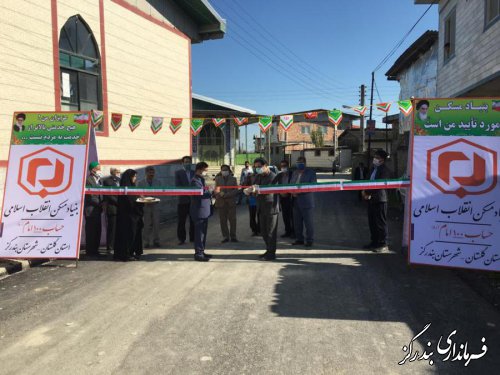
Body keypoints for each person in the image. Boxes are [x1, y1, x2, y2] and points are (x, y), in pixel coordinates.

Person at [246, 157, 279, 261]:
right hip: (261, 207)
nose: (257, 169)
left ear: (266, 166)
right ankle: (268, 249)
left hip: (271, 208)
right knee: (264, 232)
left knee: (270, 232)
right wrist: (249, 190)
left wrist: (257, 190)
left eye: (259, 167)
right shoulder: (258, 176)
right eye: (255, 167)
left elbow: (269, 190)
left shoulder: (273, 177)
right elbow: (254, 186)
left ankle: (271, 254)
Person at [362, 149, 392, 253]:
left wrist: (368, 192)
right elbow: (367, 180)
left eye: (377, 157)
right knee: (372, 222)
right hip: (371, 199)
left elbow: (379, 185)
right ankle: (374, 242)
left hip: (380, 199)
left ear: (382, 160)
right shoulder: (372, 169)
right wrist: (364, 191)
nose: (374, 159)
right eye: (374, 157)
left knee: (380, 222)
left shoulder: (385, 170)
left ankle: (383, 244)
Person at [114, 169, 144, 261]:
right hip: (127, 217)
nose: (135, 178)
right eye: (134, 176)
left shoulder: (132, 187)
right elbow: (130, 202)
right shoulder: (125, 188)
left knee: (134, 234)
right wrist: (139, 201)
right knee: (127, 235)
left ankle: (132, 252)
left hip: (134, 216)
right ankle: (125, 254)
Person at [290, 156, 317, 247]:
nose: (299, 164)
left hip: (306, 201)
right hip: (295, 201)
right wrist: (292, 191)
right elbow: (290, 184)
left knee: (308, 223)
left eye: (301, 162)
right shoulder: (294, 173)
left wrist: (299, 192)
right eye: (298, 162)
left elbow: (313, 186)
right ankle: (299, 239)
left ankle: (309, 240)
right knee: (297, 223)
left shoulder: (311, 173)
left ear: (305, 163)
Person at [190, 162, 213, 262]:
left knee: (203, 233)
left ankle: (202, 251)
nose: (206, 172)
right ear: (199, 170)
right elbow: (200, 194)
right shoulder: (195, 181)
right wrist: (212, 191)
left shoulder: (201, 179)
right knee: (199, 233)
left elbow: (204, 190)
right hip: (199, 210)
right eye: (205, 170)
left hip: (204, 210)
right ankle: (198, 253)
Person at [138, 166, 161, 248]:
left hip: (155, 205)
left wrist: (157, 198)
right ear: (146, 173)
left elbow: (161, 192)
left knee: (156, 224)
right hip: (146, 205)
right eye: (150, 173)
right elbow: (139, 193)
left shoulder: (158, 182)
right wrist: (144, 198)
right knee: (146, 225)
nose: (151, 174)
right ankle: (146, 242)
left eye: (153, 173)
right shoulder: (141, 183)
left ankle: (156, 240)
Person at [214, 165, 238, 243]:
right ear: (221, 171)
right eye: (223, 170)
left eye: (226, 170)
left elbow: (235, 190)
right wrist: (220, 193)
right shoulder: (217, 179)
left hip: (231, 202)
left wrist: (226, 195)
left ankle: (233, 236)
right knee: (223, 221)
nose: (224, 171)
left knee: (232, 220)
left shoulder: (233, 179)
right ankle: (225, 236)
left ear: (229, 171)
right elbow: (216, 189)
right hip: (221, 202)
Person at [84, 161, 104, 256]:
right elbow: (90, 196)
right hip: (91, 210)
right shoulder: (88, 180)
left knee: (97, 231)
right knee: (91, 231)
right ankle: (90, 251)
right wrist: (100, 204)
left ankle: (95, 250)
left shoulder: (99, 180)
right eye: (98, 169)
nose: (100, 170)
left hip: (98, 210)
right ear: (93, 170)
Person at [175, 156, 195, 245]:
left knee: (193, 220)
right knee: (181, 221)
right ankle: (181, 239)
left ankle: (193, 238)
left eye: (189, 162)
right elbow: (178, 186)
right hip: (182, 200)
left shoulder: (194, 173)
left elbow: (197, 184)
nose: (188, 163)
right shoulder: (178, 173)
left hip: (193, 201)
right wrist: (188, 192)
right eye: (186, 162)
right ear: (182, 163)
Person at [102, 167, 121, 253]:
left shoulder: (120, 181)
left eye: (119, 172)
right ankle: (110, 247)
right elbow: (109, 195)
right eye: (117, 172)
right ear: (112, 172)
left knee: (118, 229)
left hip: (120, 209)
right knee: (112, 229)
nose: (118, 173)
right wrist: (119, 202)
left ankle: (117, 246)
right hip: (112, 208)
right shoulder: (107, 181)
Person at [276, 160, 294, 238]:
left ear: (288, 166)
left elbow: (295, 185)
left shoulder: (292, 174)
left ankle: (294, 232)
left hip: (290, 198)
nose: (283, 167)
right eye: (282, 166)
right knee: (285, 216)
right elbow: (275, 184)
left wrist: (288, 193)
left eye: (285, 166)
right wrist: (280, 193)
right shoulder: (279, 175)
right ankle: (287, 231)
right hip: (282, 198)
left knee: (292, 216)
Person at [246, 171, 260, 236]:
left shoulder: (261, 178)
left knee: (260, 215)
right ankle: (254, 230)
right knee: (252, 216)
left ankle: (260, 229)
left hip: (260, 199)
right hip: (251, 199)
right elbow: (244, 188)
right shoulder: (249, 178)